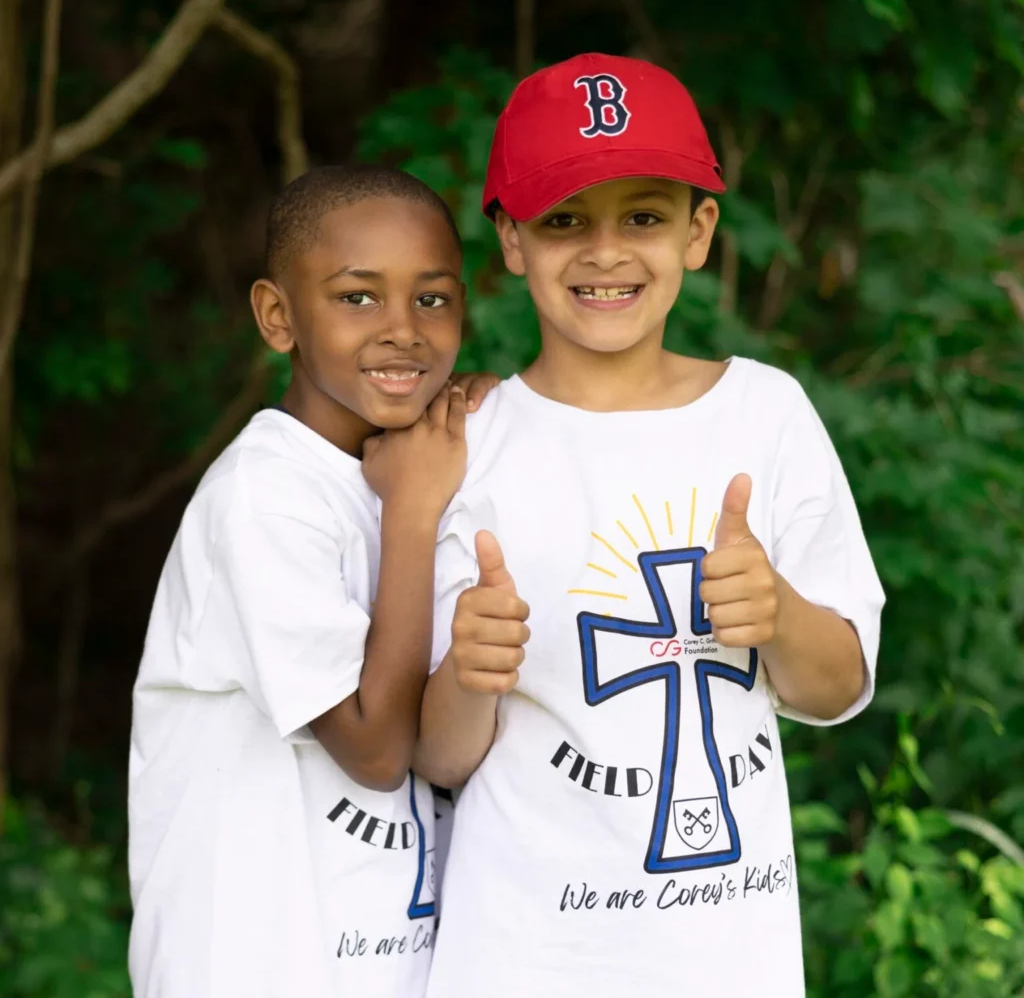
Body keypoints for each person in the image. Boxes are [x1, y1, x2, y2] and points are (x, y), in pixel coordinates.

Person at [414, 54, 886, 997]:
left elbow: (839, 689)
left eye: (643, 216)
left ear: (699, 229)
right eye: (563, 221)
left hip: (729, 959)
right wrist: (469, 672)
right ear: (509, 240)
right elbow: (434, 756)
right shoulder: (467, 443)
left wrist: (779, 613)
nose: (605, 253)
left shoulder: (767, 415)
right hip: (522, 956)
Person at [128, 164, 495, 998]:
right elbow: (372, 748)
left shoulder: (430, 463)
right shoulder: (263, 496)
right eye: (357, 297)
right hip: (252, 965)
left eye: (432, 299)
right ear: (277, 316)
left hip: (390, 963)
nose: (402, 330)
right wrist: (409, 515)